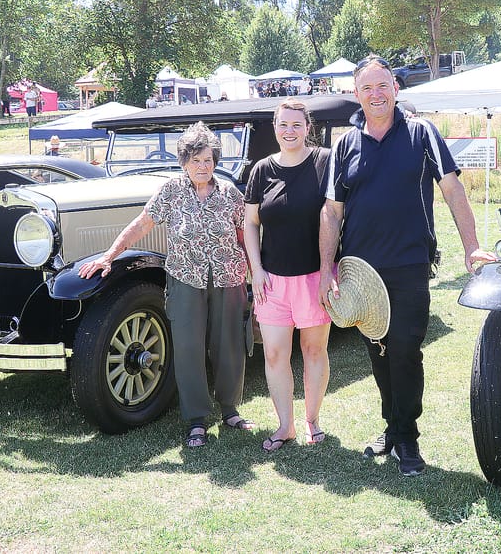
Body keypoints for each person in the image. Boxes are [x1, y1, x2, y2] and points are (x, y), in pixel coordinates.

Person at [318, 55, 494, 476]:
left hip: (410, 265)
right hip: (360, 271)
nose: (375, 95)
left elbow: (453, 191)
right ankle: (393, 428)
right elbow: (331, 211)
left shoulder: (422, 132)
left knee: (406, 349)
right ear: (356, 95)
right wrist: (327, 267)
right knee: (378, 352)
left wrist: (471, 247)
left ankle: (407, 438)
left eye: (382, 86)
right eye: (366, 89)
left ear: (396, 89)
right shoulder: (345, 145)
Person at [78, 122, 253, 449]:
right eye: (195, 161)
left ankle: (230, 409)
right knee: (187, 348)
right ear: (184, 162)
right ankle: (197, 420)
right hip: (185, 279)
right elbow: (142, 224)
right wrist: (108, 256)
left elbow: (247, 236)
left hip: (228, 277)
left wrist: (257, 273)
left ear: (216, 161)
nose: (203, 167)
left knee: (228, 344)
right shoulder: (171, 191)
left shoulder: (230, 193)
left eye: (208, 160)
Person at [244, 99, 332, 452]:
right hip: (272, 282)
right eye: (283, 125)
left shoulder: (325, 162)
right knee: (276, 356)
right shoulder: (261, 170)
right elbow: (251, 224)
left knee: (314, 351)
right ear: (275, 127)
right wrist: (257, 270)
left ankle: (312, 421)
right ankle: (285, 426)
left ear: (307, 127)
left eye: (297, 124)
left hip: (314, 277)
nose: (289, 131)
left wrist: (331, 271)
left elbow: (337, 215)